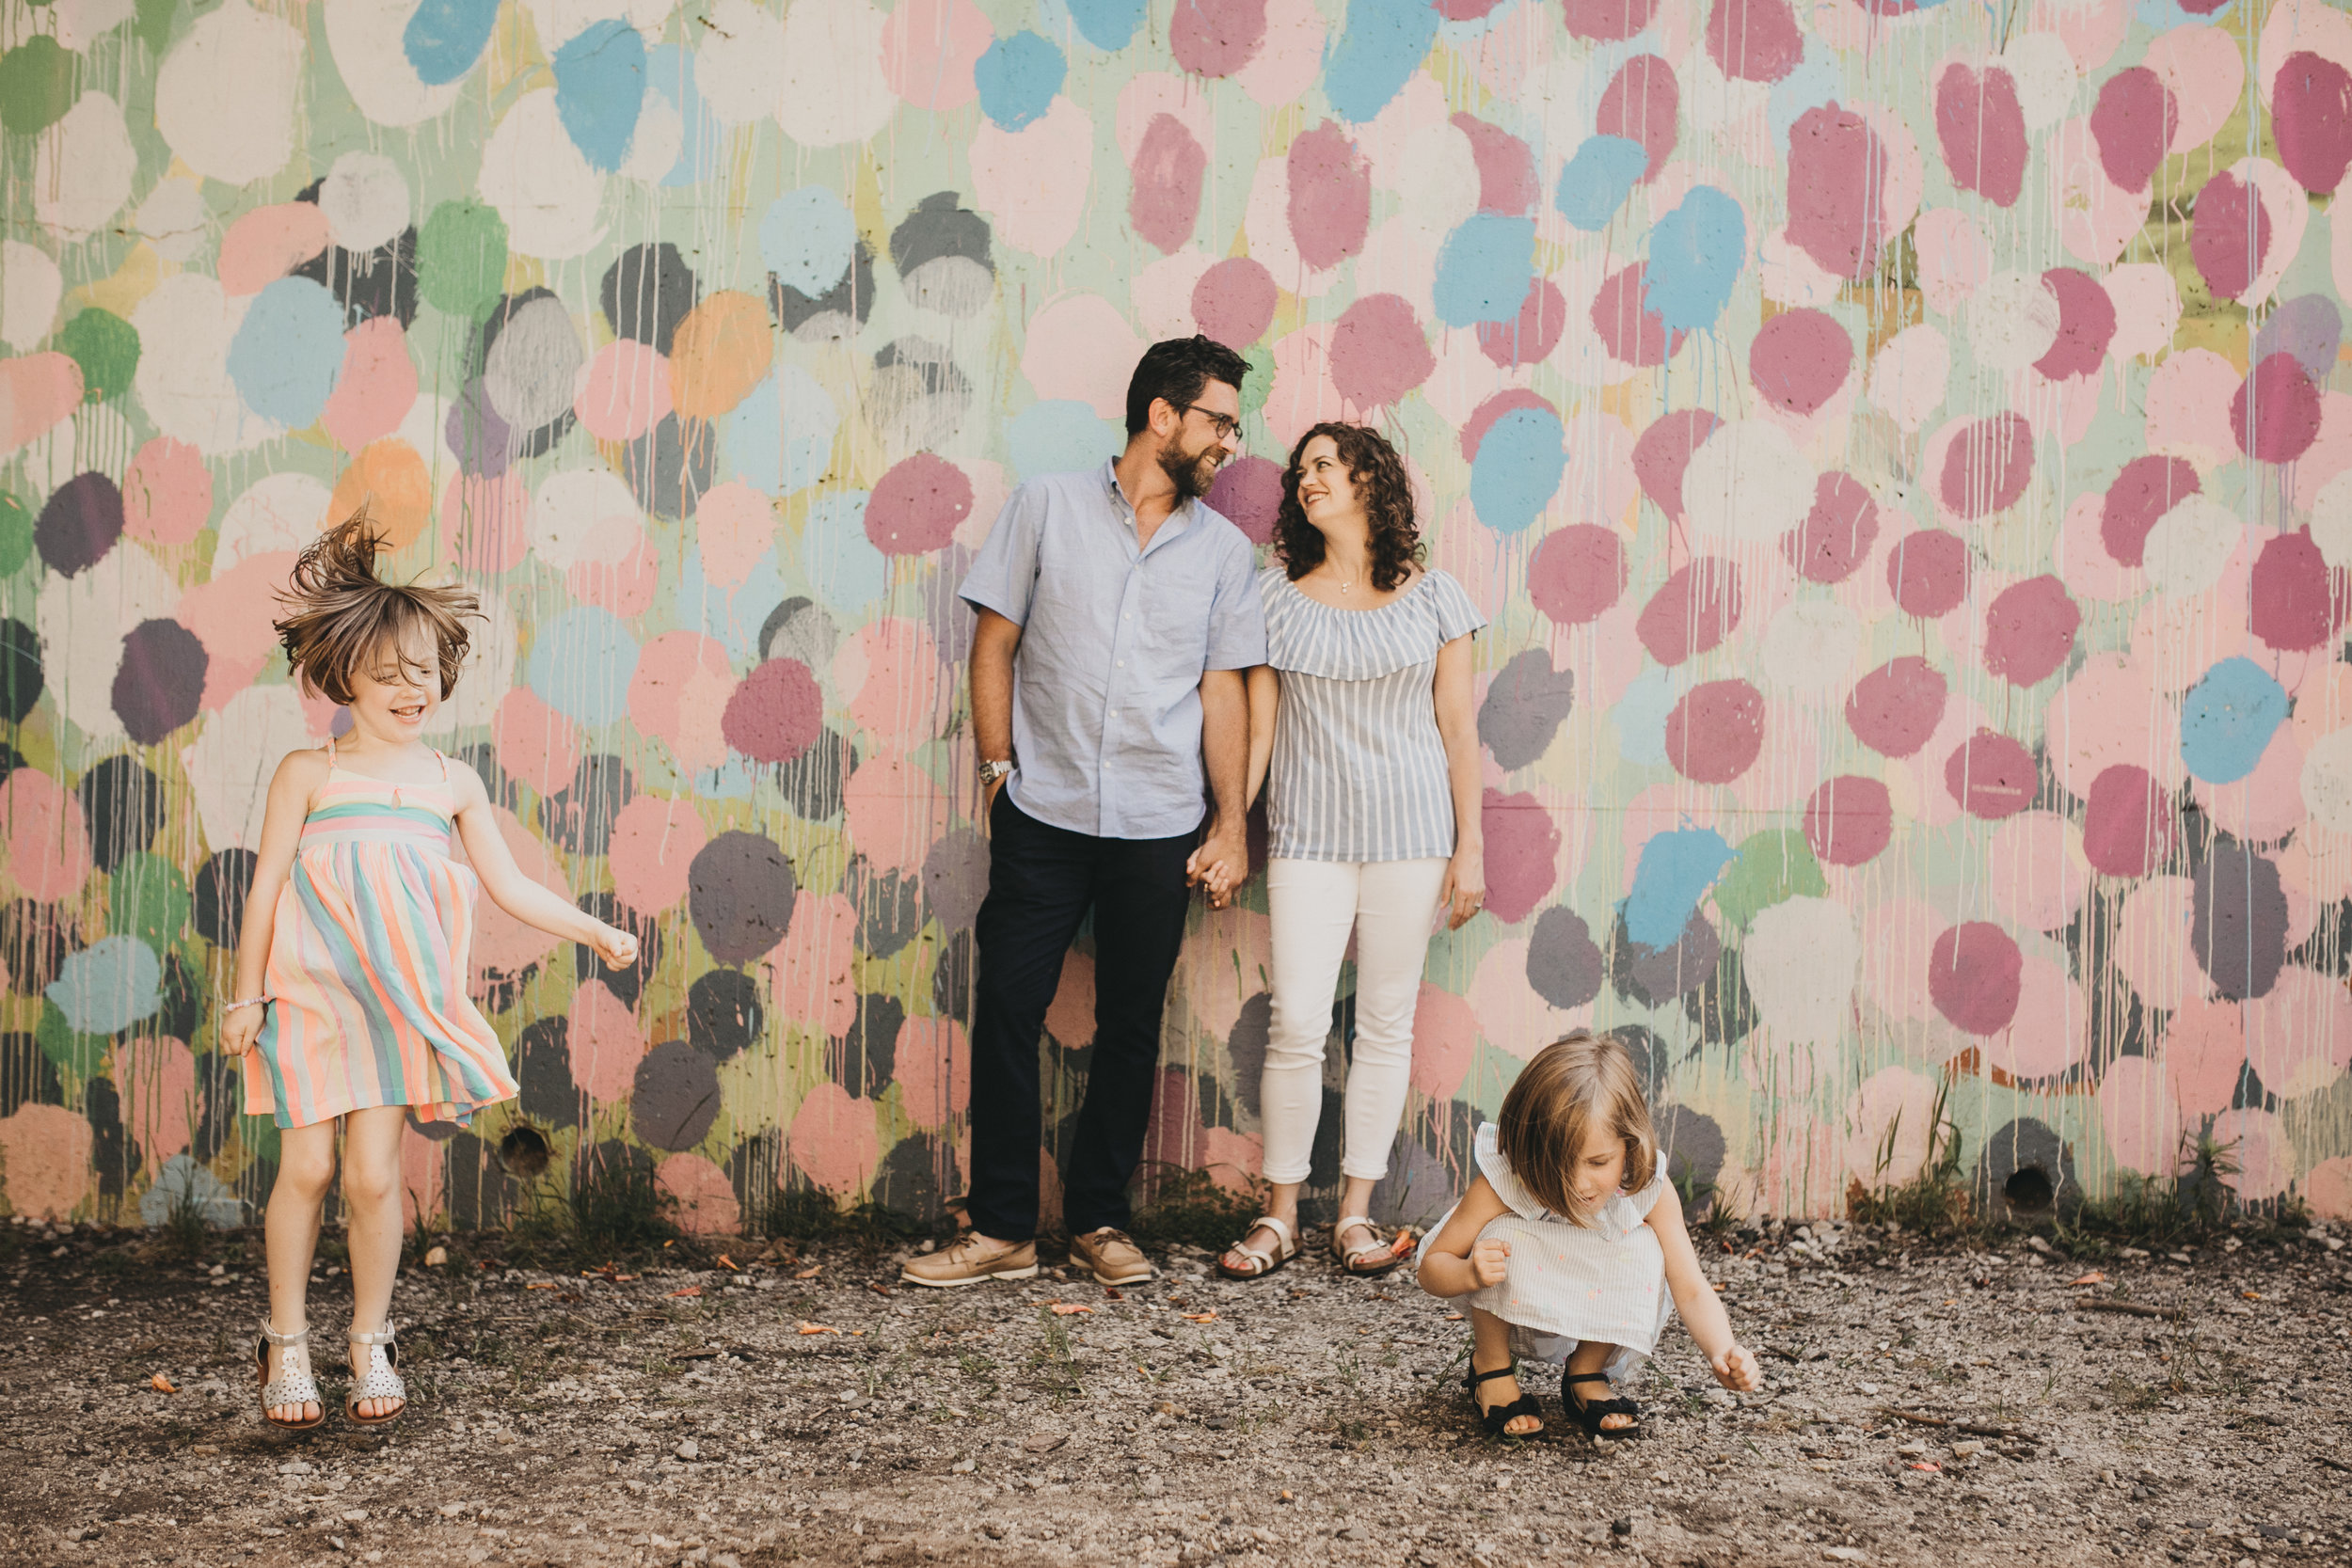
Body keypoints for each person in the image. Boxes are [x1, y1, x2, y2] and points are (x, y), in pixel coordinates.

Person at [221, 515, 640, 1429]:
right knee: (309, 1165)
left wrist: (593, 928)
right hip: (304, 998)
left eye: (425, 670)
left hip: (390, 1006)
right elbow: (263, 892)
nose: (411, 688)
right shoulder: (309, 771)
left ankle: (371, 1336)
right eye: (389, 672)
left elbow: (510, 883)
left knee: (373, 1176)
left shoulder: (452, 780)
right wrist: (244, 994)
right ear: (343, 678)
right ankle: (285, 1340)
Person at [903, 337, 1267, 1290]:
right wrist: (996, 775)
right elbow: (995, 644)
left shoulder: (1225, 553)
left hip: (1159, 824)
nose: (1232, 440)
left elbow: (1222, 692)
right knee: (1010, 1008)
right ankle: (1003, 1228)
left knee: (1131, 1025)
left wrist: (1229, 821)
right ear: (1162, 415)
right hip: (1044, 812)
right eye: (1220, 420)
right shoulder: (1045, 507)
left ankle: (1101, 1218)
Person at [1207, 422, 1485, 1283]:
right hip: (1309, 838)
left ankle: (1355, 1215)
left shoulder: (1438, 598)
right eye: (1301, 471)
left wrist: (1468, 847)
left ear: (1371, 479)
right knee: (1296, 1021)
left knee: (1384, 1025)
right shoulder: (1274, 598)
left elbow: (1458, 731)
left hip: (1411, 839)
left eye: (1325, 464)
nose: (1306, 480)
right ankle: (1281, 1214)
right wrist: (1229, 829)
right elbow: (1261, 728)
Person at [1414, 1031, 1759, 1438]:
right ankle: (1491, 1366)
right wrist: (1470, 1272)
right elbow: (1432, 1267)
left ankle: (1586, 1370)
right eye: (1558, 1162)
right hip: (1514, 1299)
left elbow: (1691, 1288)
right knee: (1499, 1232)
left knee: (1646, 1247)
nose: (1579, 1183)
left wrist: (1723, 1351)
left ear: (1629, 1144)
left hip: (1594, 1303)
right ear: (1529, 1147)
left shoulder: (1646, 1189)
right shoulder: (1509, 1181)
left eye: (1599, 1162)